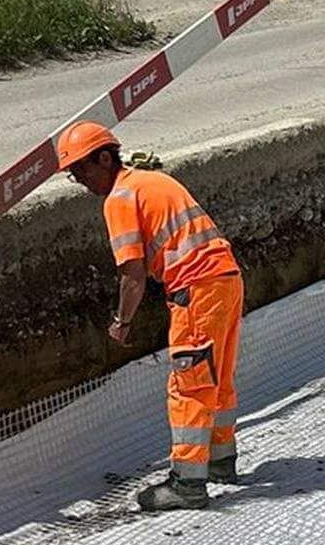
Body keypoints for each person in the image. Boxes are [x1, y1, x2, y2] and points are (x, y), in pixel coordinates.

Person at [55, 121, 244, 512]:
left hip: (196, 289)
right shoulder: (152, 180)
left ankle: (188, 483)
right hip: (226, 280)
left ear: (104, 158)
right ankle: (220, 461)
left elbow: (132, 274)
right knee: (217, 377)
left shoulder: (120, 198)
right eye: (73, 174)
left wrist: (122, 322)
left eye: (81, 170)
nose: (81, 181)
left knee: (189, 386)